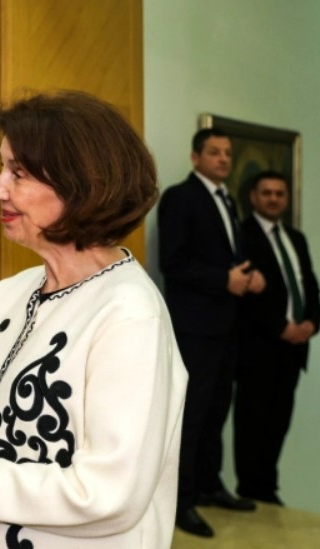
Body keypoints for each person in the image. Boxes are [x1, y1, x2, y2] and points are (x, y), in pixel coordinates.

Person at [0, 90, 188, 548]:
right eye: (2, 168)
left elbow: (108, 495)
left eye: (18, 173)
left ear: (81, 184)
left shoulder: (129, 315)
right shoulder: (11, 293)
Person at [157, 128, 265, 538]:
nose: (223, 159)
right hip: (195, 327)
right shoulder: (180, 197)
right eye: (214, 152)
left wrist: (248, 276)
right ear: (195, 157)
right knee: (191, 413)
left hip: (227, 324)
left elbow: (230, 258)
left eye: (228, 153)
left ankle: (209, 485)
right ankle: (181, 501)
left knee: (218, 408)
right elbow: (173, 262)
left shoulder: (228, 199)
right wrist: (224, 280)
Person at [234, 171, 319, 506]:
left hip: (294, 349)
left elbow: (308, 284)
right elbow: (248, 296)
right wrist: (281, 327)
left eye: (279, 193)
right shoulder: (242, 235)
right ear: (254, 197)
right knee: (252, 421)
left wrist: (311, 323)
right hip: (259, 347)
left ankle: (268, 487)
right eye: (267, 193)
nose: (273, 199)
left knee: (278, 422)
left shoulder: (295, 238)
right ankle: (250, 489)